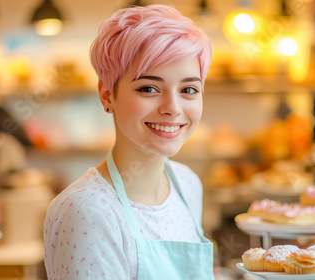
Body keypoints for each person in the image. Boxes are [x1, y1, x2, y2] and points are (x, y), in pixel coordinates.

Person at [44, 4, 214, 280]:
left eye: (189, 89)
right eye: (149, 88)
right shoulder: (88, 211)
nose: (173, 107)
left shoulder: (187, 184)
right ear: (107, 95)